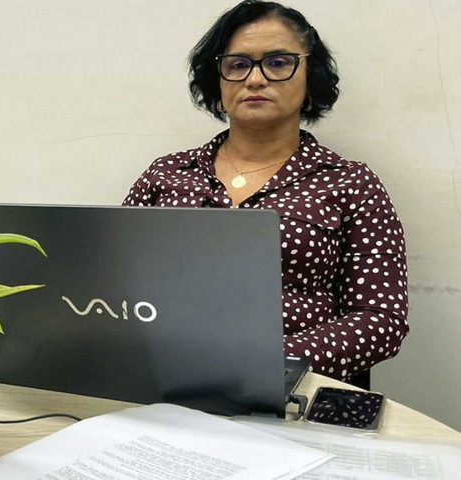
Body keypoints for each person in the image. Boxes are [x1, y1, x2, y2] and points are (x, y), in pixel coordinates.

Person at [122, 1, 408, 384]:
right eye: (237, 65)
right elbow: (116, 287)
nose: (255, 80)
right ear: (218, 80)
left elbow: (380, 319)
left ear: (310, 76)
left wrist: (271, 362)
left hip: (292, 391)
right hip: (163, 381)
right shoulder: (167, 175)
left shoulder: (350, 183)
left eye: (277, 62)